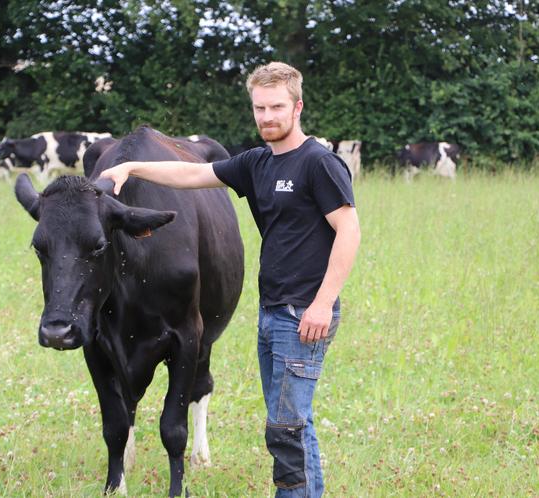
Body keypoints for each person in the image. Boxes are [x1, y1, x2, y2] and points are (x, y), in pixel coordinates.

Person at [100, 61, 360, 497]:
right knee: (296, 421)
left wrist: (322, 302)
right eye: (259, 108)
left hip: (304, 313)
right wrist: (133, 169)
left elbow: (349, 231)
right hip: (274, 311)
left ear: (297, 107)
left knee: (284, 427)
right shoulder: (258, 163)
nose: (267, 117)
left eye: (276, 106)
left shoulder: (319, 164)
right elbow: (193, 174)